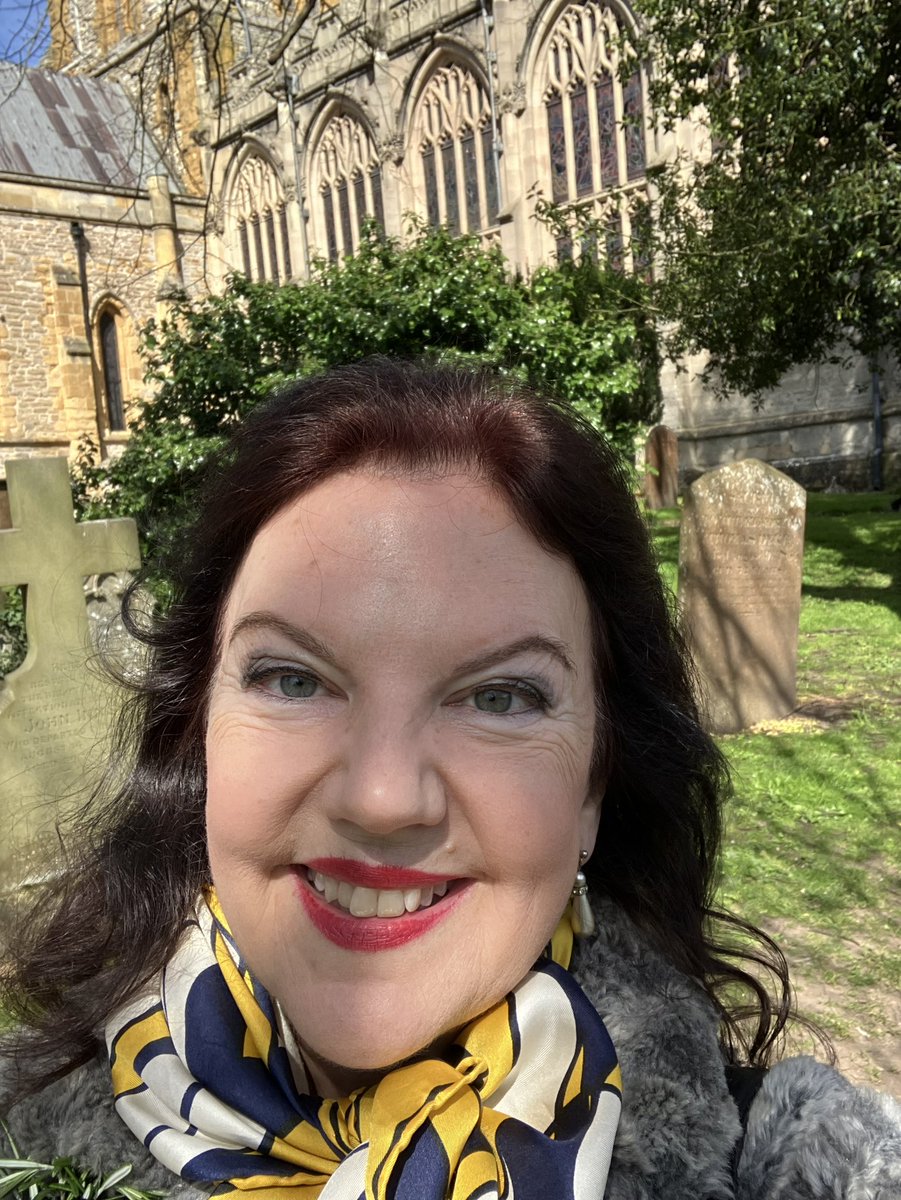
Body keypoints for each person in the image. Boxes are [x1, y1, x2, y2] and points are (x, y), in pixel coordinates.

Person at [1, 360, 899, 1200]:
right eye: (292, 679)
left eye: (501, 697)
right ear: (198, 731)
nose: (382, 799)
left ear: (595, 781)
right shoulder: (18, 1120)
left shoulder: (811, 1162)